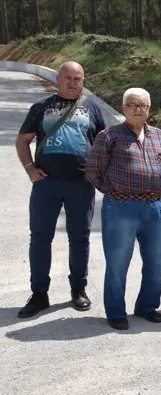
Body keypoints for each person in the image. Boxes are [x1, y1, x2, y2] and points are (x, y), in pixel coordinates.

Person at [15, 61, 107, 319]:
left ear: (84, 81)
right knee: (41, 238)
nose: (73, 82)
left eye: (78, 78)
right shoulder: (41, 107)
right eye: (68, 77)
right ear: (58, 78)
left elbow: (103, 144)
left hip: (81, 184)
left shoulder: (92, 108)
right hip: (47, 184)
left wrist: (99, 174)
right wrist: (30, 169)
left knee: (80, 237)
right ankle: (39, 294)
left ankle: (78, 288)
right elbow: (22, 140)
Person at [85, 88, 161, 330]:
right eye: (132, 105)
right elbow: (92, 171)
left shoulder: (159, 136)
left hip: (155, 208)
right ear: (123, 109)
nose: (137, 109)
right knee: (118, 262)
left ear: (149, 109)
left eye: (142, 105)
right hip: (121, 208)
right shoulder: (108, 136)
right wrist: (115, 193)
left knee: (156, 261)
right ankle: (115, 311)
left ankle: (147, 306)